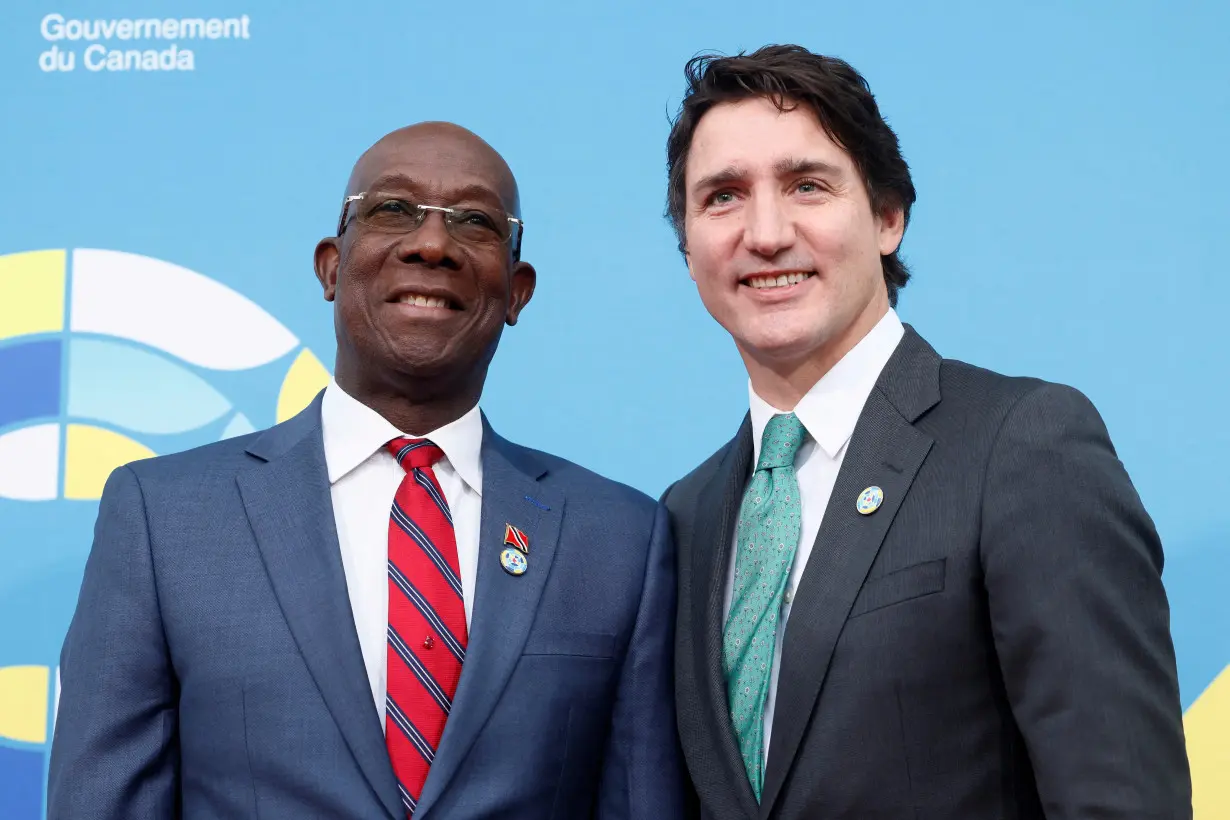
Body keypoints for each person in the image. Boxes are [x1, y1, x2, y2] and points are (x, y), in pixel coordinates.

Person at [48, 122, 684, 819]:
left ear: (517, 293)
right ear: (330, 265)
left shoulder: (620, 537)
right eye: (392, 211)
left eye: (475, 222)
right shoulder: (164, 516)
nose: (432, 245)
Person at [662, 45, 1192, 819]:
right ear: (688, 249)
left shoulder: (1023, 444)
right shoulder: (684, 518)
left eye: (807, 185)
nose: (766, 232)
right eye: (723, 197)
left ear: (887, 217)